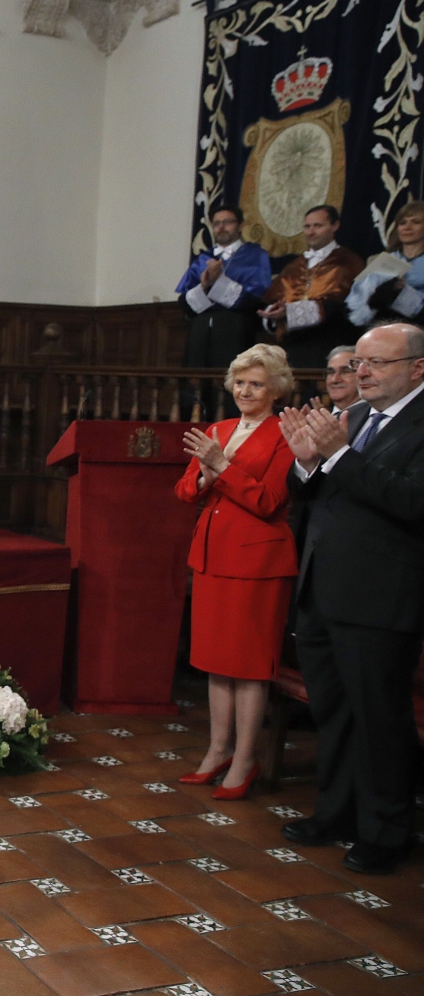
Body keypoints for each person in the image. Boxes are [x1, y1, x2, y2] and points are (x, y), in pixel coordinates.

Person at [279, 322, 424, 874]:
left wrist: (338, 458)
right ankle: (336, 812)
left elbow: (411, 502)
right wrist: (307, 462)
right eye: (358, 362)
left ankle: (387, 831)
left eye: (376, 363)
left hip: (381, 598)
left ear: (417, 368)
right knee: (333, 713)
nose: (361, 372)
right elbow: (316, 496)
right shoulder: (356, 418)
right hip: (323, 587)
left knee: (379, 718)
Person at [172, 344, 298, 800]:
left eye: (257, 383)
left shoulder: (286, 432)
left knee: (248, 666)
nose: (246, 390)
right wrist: (205, 474)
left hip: (258, 563)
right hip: (212, 556)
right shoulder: (218, 428)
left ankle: (245, 759)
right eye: (240, 382)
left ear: (276, 388)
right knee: (215, 662)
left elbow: (269, 501)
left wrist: (222, 465)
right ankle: (217, 751)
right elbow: (186, 491)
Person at [177, 206, 273, 407]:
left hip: (234, 331)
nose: (221, 227)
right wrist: (204, 285)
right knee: (194, 391)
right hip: (200, 333)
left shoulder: (255, 256)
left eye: (227, 222)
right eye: (217, 223)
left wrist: (219, 281)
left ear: (240, 225)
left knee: (230, 391)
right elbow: (185, 304)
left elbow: (255, 300)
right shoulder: (203, 259)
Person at [258, 205, 364, 368]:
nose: (311, 232)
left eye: (317, 226)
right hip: (293, 345)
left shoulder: (348, 262)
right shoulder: (294, 266)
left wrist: (291, 312)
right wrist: (274, 313)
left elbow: (344, 305)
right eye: (307, 227)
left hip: (329, 342)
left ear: (334, 226)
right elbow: (273, 298)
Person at [347, 200, 424, 328]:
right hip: (379, 327)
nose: (407, 227)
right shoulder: (382, 260)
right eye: (402, 223)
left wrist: (400, 293)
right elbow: (355, 307)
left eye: (416, 222)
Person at [324, 346, 359, 415]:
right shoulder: (321, 420)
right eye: (331, 372)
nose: (335, 380)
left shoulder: (373, 420)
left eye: (345, 372)